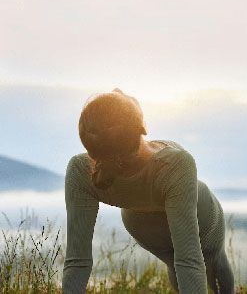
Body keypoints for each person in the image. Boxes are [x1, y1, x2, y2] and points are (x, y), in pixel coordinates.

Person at [62, 88, 235, 294]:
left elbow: (77, 262)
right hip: (145, 225)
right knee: (185, 264)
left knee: (211, 260)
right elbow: (77, 262)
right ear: (141, 129)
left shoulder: (173, 164)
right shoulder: (82, 172)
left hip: (200, 214)